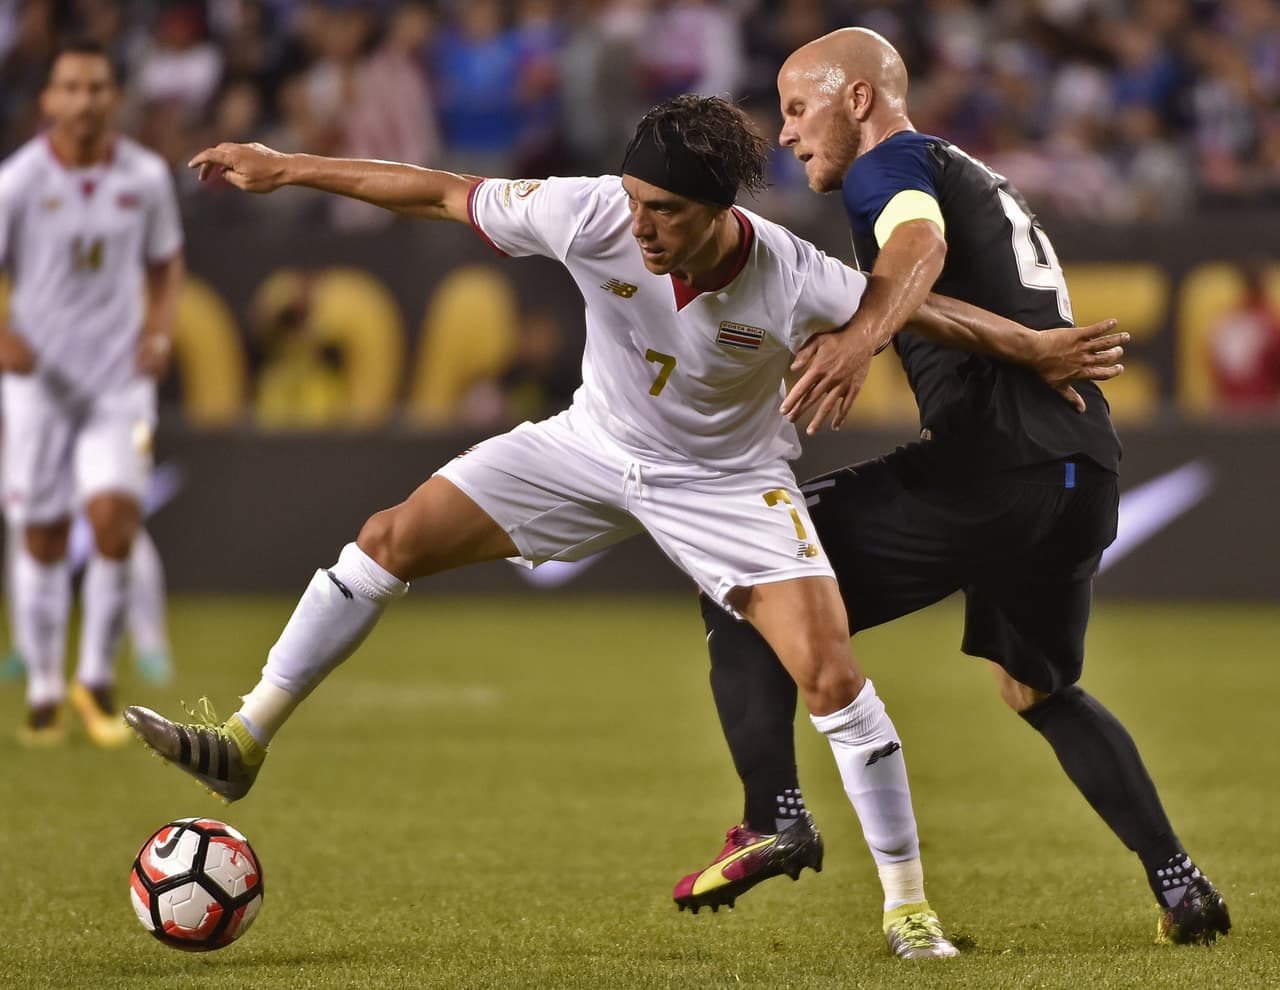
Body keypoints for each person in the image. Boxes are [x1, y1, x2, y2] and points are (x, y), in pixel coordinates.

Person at [120, 94, 1119, 959]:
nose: (641, 228)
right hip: (588, 448)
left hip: (726, 485)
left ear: (720, 211)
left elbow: (922, 309)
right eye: (638, 204)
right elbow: (431, 189)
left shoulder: (787, 275)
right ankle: (246, 739)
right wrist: (285, 166)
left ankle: (909, 912)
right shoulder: (589, 209)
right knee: (388, 539)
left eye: (667, 213)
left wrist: (1031, 345)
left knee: (829, 674)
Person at [674, 28, 1231, 948]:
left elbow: (917, 247)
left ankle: (771, 815)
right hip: (1081, 467)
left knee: (740, 581)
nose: (786, 134)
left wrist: (857, 340)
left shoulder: (884, 164)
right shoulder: (962, 166)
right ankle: (1180, 882)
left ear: (858, 98)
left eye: (799, 108)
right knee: (1039, 689)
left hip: (993, 461)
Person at [0, 39, 183, 746]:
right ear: (48, 100)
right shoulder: (17, 181)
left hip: (118, 383)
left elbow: (166, 267)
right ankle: (45, 686)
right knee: (41, 533)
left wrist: (160, 335)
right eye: (70, 87)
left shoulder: (143, 177)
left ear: (114, 98)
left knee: (114, 521)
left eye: (96, 87)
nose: (83, 100)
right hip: (38, 385)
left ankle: (97, 680)